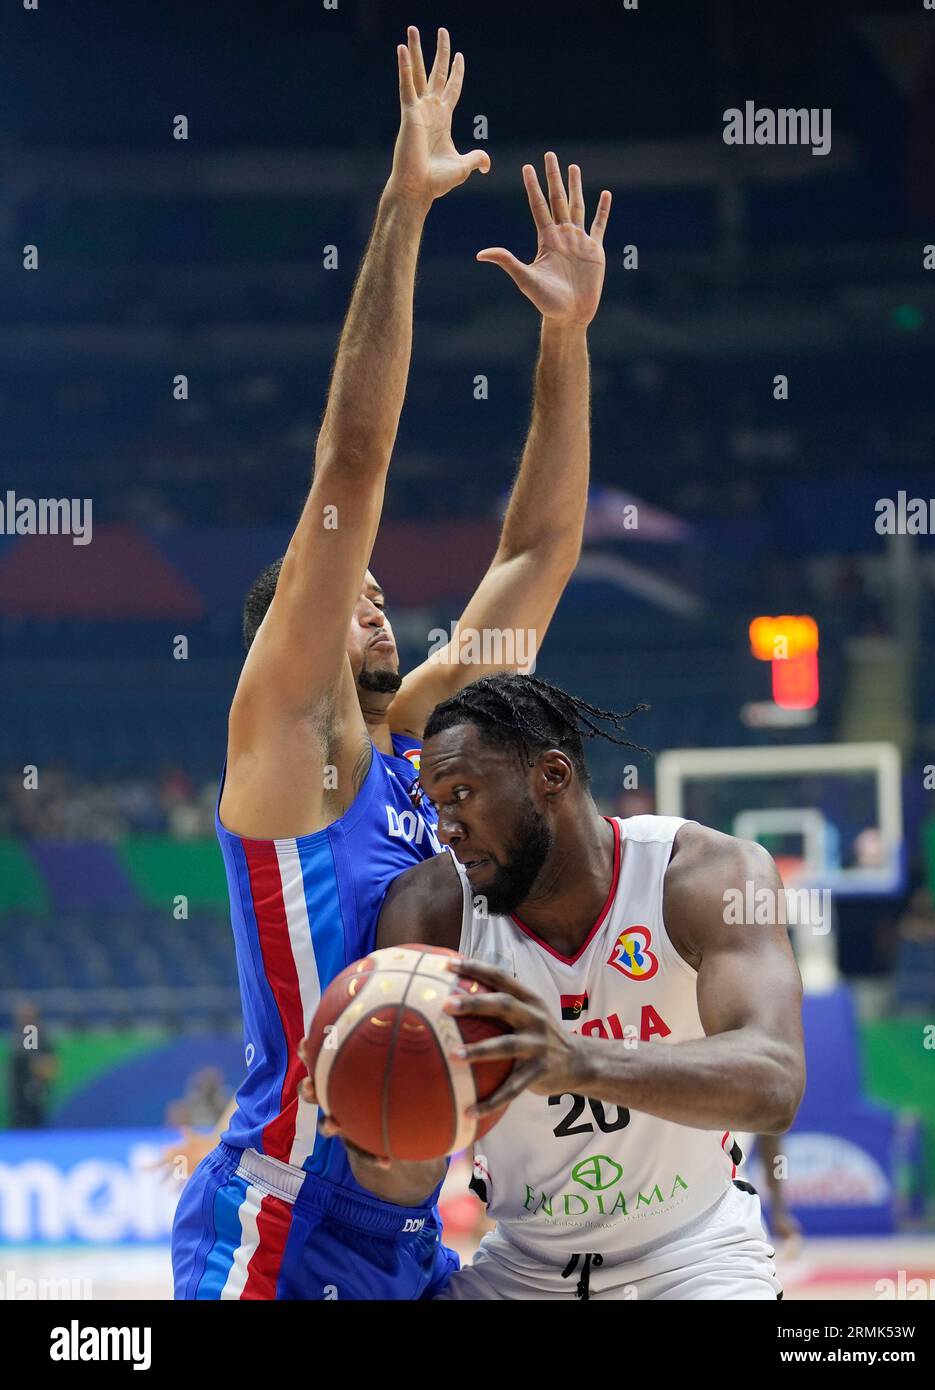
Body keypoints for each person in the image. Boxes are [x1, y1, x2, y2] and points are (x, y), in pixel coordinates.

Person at [170, 26, 611, 1301]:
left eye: (374, 594)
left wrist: (567, 340)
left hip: (418, 1231)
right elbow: (349, 468)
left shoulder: (424, 744)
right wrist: (405, 206)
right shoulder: (287, 749)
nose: (372, 600)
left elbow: (538, 549)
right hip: (282, 1215)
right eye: (341, 594)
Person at [360, 673, 805, 1299]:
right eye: (437, 805)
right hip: (520, 1266)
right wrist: (374, 1124)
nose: (447, 826)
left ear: (553, 775)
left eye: (462, 793)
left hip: (695, 1254)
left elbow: (775, 1082)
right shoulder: (429, 912)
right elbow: (408, 1179)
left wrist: (576, 1060)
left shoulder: (709, 876)